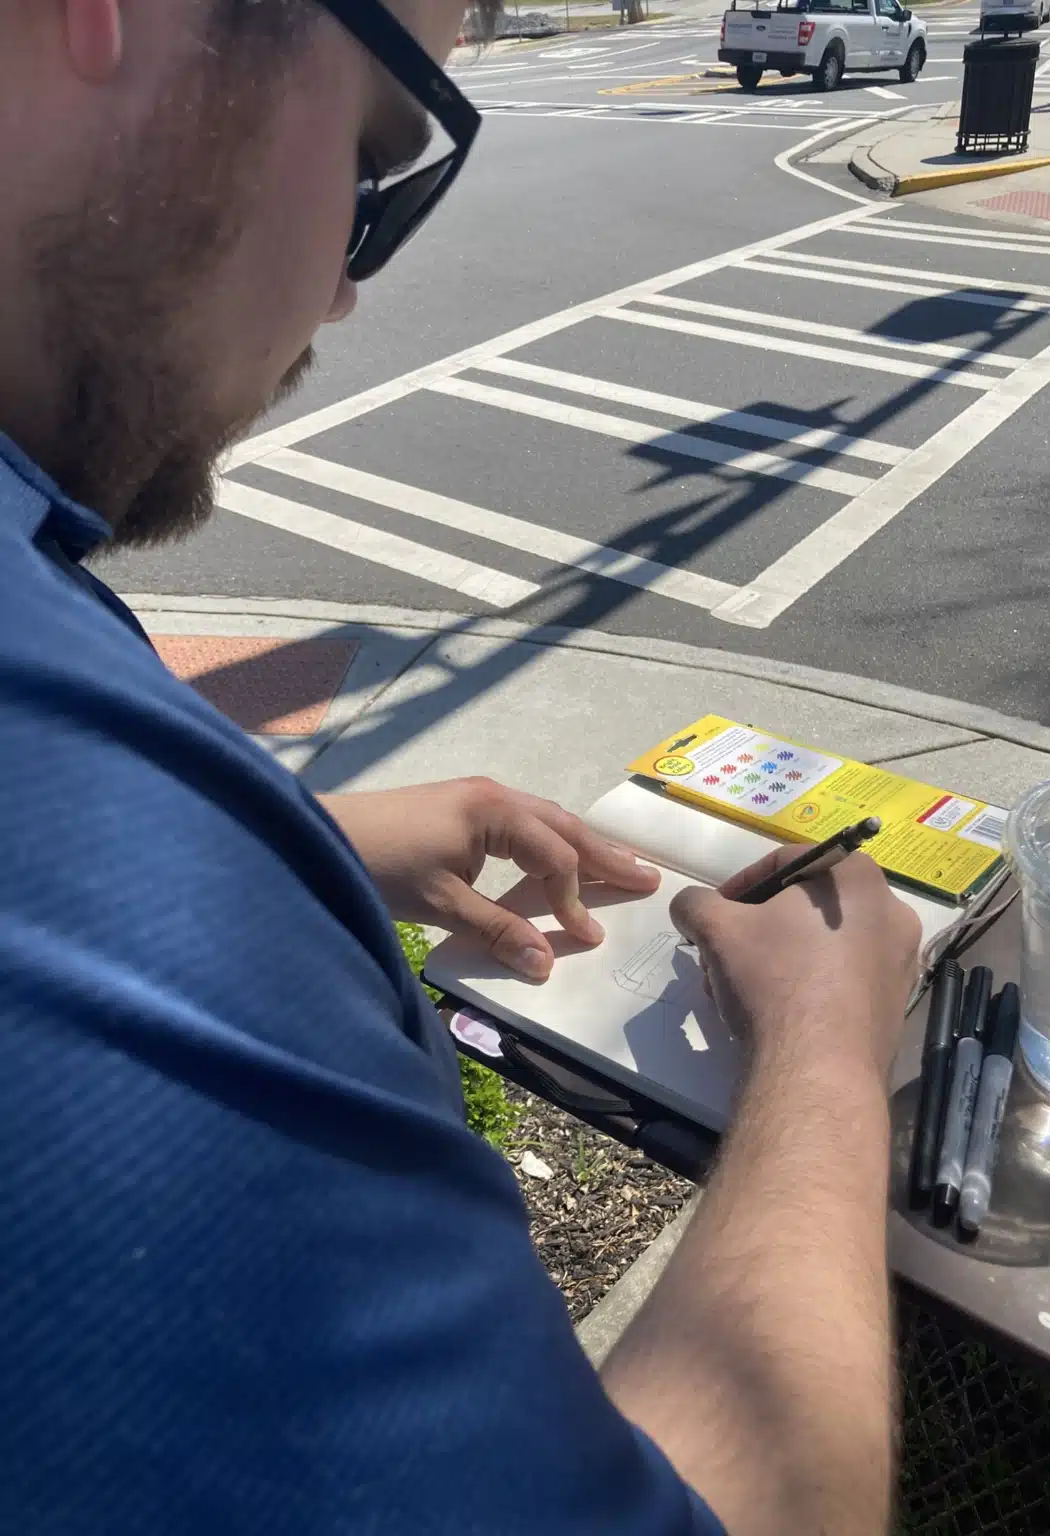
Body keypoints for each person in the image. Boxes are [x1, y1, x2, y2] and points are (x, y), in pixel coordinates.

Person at [0, 3, 921, 1533]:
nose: (343, 286)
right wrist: (829, 1045)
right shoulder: (75, 846)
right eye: (378, 157)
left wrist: (295, 844)